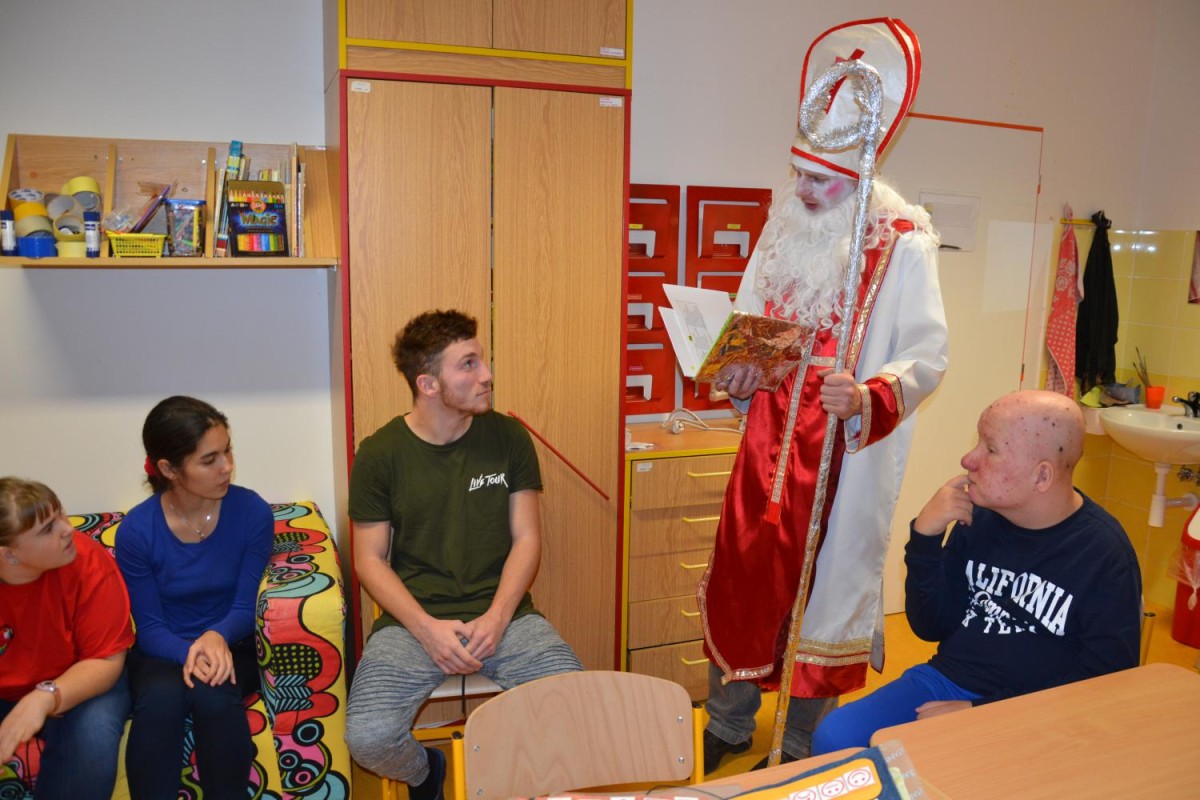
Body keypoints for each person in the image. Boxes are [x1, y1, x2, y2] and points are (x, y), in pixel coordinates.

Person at [698, 18, 949, 770]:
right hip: (766, 449)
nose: (803, 192)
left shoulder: (904, 239)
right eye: (799, 175)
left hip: (841, 454)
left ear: (860, 180)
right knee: (743, 580)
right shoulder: (784, 226)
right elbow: (752, 329)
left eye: (820, 182)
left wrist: (866, 394)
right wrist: (739, 377)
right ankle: (728, 723)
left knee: (823, 598)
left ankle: (803, 745)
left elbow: (927, 355)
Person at [811, 390, 1142, 753]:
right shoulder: (979, 517)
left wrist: (984, 712)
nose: (968, 459)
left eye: (991, 449)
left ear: (1042, 476)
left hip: (1042, 709)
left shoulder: (1103, 552)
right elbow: (931, 626)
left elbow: (1106, 680)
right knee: (835, 736)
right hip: (949, 682)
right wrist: (925, 538)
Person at [345, 309, 582, 800]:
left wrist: (497, 617)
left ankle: (521, 783)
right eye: (469, 364)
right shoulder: (379, 453)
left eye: (482, 360)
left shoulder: (508, 437)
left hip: (505, 616)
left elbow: (527, 539)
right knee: (367, 737)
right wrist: (426, 629)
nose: (487, 374)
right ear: (428, 384)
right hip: (412, 621)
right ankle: (425, 772)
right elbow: (369, 559)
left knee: (576, 708)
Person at [115, 396, 274, 799]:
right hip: (163, 650)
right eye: (209, 460)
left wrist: (216, 637)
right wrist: (192, 650)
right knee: (160, 701)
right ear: (169, 469)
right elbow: (150, 628)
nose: (227, 467)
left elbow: (244, 607)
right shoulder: (137, 530)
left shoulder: (252, 512)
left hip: (233, 643)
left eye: (227, 451)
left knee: (214, 694)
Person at [0, 478, 133, 800]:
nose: (67, 529)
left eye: (60, 514)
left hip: (80, 679)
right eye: (48, 529)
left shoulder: (87, 559)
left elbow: (105, 661)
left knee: (93, 735)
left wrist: (45, 697)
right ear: (9, 555)